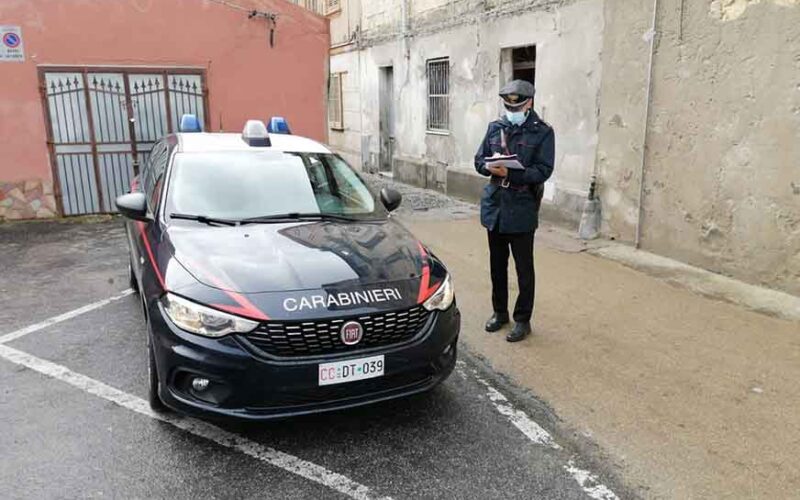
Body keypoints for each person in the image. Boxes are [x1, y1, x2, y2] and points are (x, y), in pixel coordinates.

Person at [473, 80, 555, 342]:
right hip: (495, 205)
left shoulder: (542, 132)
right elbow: (478, 160)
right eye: (508, 105)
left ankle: (523, 320)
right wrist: (489, 168)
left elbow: (543, 170)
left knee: (523, 269)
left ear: (528, 103)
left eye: (517, 105)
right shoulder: (496, 127)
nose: (512, 109)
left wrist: (512, 173)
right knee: (497, 266)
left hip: (521, 207)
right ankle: (500, 313)